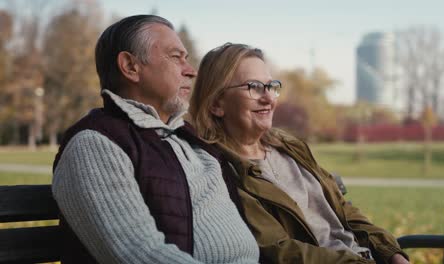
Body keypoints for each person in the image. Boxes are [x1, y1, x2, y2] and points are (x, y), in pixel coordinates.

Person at [52, 16, 259, 264]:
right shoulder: (94, 144)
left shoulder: (190, 140)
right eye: (175, 57)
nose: (191, 71)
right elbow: (139, 254)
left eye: (187, 59)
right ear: (130, 66)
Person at [189, 43, 410, 264]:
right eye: (254, 87)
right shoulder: (221, 171)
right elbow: (279, 250)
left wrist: (392, 252)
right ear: (217, 103)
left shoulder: (290, 146)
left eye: (271, 86)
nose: (269, 98)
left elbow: (342, 209)